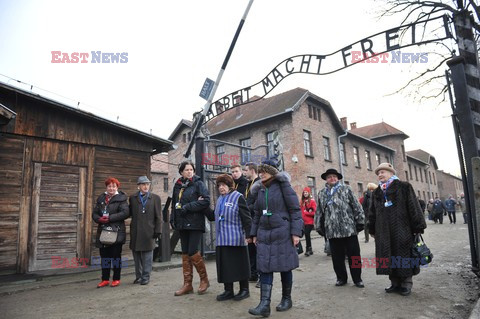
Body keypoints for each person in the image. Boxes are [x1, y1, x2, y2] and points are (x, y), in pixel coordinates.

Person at [248, 158, 303, 317]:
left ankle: (287, 299)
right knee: (264, 267)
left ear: (272, 171)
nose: (261, 173)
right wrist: (253, 233)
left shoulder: (284, 186)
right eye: (260, 171)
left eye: (264, 170)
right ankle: (264, 304)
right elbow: (257, 213)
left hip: (283, 232)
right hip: (264, 234)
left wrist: (295, 232)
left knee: (285, 265)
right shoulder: (260, 189)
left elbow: (295, 210)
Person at [369, 163, 427, 296]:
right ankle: (394, 282)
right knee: (388, 256)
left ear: (391, 173)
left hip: (402, 229)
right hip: (383, 231)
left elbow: (414, 207)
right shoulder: (377, 192)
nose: (380, 175)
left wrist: (418, 226)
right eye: (378, 173)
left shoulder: (404, 187)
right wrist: (372, 228)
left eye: (382, 172)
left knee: (403, 255)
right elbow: (372, 213)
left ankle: (406, 283)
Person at [315, 168, 365, 288]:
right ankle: (341, 278)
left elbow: (356, 205)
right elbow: (319, 211)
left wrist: (360, 221)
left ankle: (357, 279)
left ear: (338, 178)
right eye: (329, 177)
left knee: (354, 256)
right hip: (332, 231)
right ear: (326, 179)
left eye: (334, 176)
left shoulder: (346, 189)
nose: (332, 178)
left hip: (349, 229)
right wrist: (319, 226)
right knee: (337, 258)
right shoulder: (322, 193)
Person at [170, 160, 211, 296]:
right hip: (181, 223)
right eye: (186, 170)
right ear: (181, 172)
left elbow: (205, 201)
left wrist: (188, 207)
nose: (189, 172)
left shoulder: (198, 184)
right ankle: (187, 284)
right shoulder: (178, 185)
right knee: (185, 253)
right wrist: (172, 218)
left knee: (193, 251)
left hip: (195, 223)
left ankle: (204, 280)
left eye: (191, 169)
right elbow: (175, 203)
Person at [214, 174, 252, 301]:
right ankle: (228, 290)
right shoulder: (219, 199)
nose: (221, 188)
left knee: (240, 265)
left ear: (230, 185)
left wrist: (248, 234)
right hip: (222, 239)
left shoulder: (238, 197)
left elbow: (246, 218)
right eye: (219, 185)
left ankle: (244, 290)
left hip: (236, 238)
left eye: (223, 185)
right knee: (225, 266)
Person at [92, 177, 129, 288]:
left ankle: (116, 279)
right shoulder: (101, 198)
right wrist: (99, 219)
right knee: (104, 257)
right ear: (106, 187)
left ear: (117, 187)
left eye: (113, 186)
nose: (111, 188)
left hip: (116, 232)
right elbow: (94, 213)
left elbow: (125, 213)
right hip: (103, 231)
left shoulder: (121, 199)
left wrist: (110, 218)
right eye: (109, 186)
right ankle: (105, 279)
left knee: (116, 256)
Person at [129, 176, 162, 285]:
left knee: (147, 256)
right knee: (136, 255)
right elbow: (129, 213)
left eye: (147, 184)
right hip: (136, 231)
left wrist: (158, 231)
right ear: (138, 186)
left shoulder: (155, 198)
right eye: (143, 184)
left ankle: (146, 277)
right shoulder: (132, 198)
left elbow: (159, 217)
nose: (146, 186)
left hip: (149, 232)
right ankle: (138, 276)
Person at [243, 163, 262, 283]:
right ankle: (253, 273)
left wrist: (247, 207)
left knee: (259, 248)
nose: (245, 173)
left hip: (258, 219)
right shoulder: (247, 184)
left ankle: (262, 276)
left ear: (252, 170)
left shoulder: (259, 183)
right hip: (249, 220)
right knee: (251, 249)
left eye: (246, 170)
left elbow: (259, 202)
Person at [300, 187, 316, 256]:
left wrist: (306, 212)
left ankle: (308, 249)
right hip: (303, 222)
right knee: (302, 234)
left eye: (306, 192)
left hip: (310, 222)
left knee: (307, 233)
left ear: (309, 193)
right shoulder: (302, 202)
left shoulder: (312, 201)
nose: (305, 194)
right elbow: (300, 211)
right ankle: (308, 249)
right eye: (304, 192)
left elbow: (314, 212)